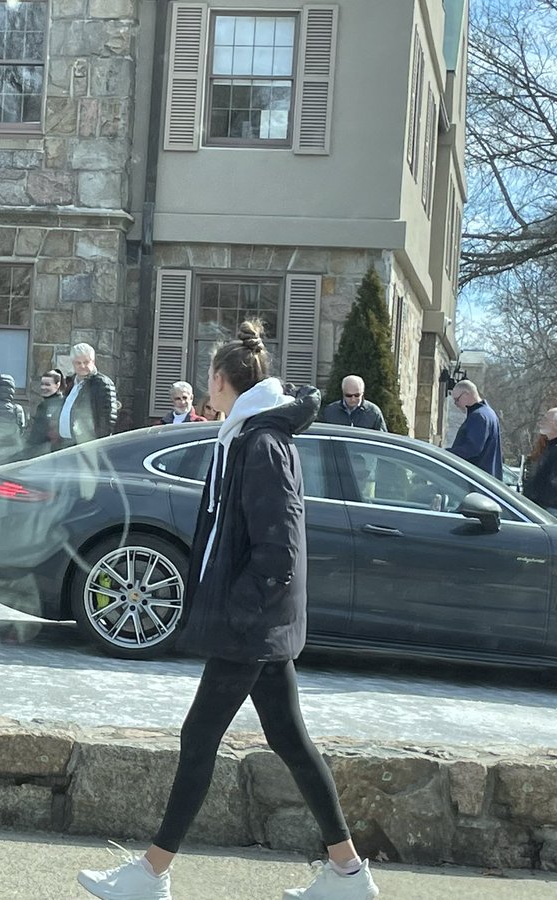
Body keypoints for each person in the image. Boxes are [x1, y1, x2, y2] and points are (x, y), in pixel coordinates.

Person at [77, 321, 378, 900]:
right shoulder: (244, 435)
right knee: (290, 739)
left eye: (208, 379)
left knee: (199, 738)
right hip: (260, 622)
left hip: (252, 624)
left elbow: (280, 544)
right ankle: (348, 873)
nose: (204, 388)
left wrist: (240, 611)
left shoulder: (260, 443)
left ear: (221, 380)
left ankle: (152, 873)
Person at [58, 343, 117, 445]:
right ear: (73, 363)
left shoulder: (102, 383)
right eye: (78, 363)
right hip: (65, 443)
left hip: (87, 446)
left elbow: (108, 421)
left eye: (86, 362)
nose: (82, 366)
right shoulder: (70, 383)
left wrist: (97, 445)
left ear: (93, 362)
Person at [522, 406, 557, 516]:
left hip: (547, 512)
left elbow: (555, 488)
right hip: (541, 508)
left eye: (546, 420)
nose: (542, 423)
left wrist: (533, 495)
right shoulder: (552, 446)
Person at [448, 380, 503, 478]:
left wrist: (446, 454)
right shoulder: (489, 413)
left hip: (476, 479)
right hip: (486, 478)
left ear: (466, 394)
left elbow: (472, 448)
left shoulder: (478, 416)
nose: (456, 404)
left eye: (457, 399)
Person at [319, 375, 387, 431]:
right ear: (343, 393)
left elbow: (382, 440)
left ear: (362, 393)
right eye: (348, 395)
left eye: (357, 395)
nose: (353, 399)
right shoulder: (330, 411)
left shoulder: (373, 413)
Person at [25, 369, 65, 456]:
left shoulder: (62, 405)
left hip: (51, 454)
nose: (43, 387)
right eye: (42, 384)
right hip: (37, 452)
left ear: (57, 385)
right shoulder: (42, 405)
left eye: (47, 385)